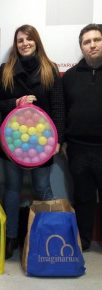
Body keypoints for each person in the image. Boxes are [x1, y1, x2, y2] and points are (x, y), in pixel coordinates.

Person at [0, 24, 65, 259]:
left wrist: (57, 140)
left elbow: (58, 108)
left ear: (36, 41)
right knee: (12, 191)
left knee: (43, 189)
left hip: (42, 145)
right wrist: (16, 102)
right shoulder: (6, 69)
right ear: (16, 44)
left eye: (29, 39)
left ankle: (51, 236)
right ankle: (11, 237)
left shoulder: (49, 69)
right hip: (12, 142)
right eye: (20, 40)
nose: (24, 43)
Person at [62, 23, 102, 251]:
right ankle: (83, 242)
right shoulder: (69, 77)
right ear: (81, 47)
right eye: (87, 42)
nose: (92, 45)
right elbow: (62, 111)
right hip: (78, 149)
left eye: (97, 40)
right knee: (83, 200)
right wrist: (64, 141)